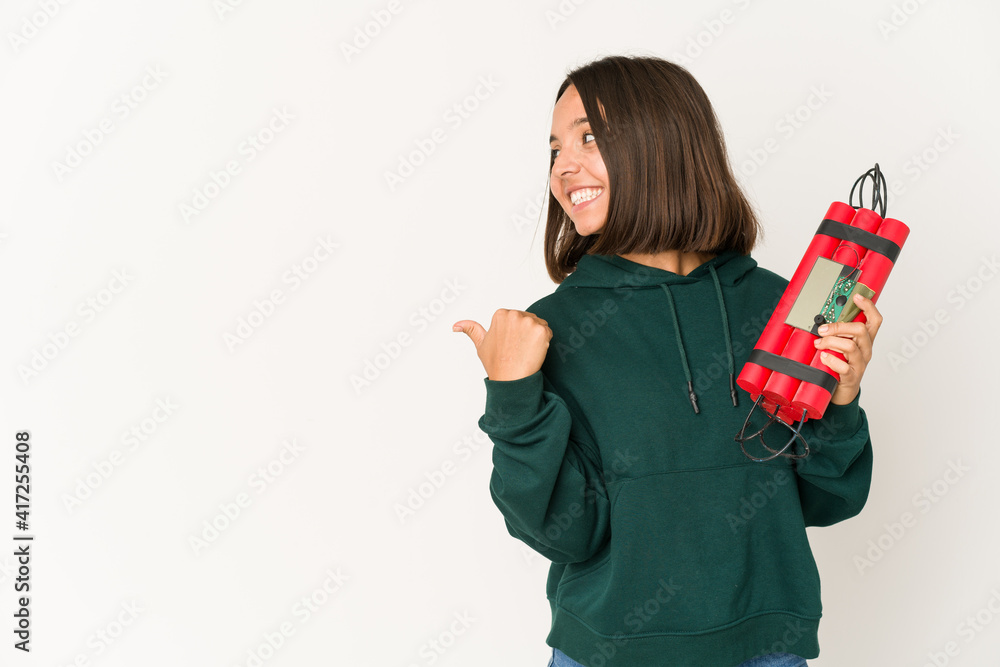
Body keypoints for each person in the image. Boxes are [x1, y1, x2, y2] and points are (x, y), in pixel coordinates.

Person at [453, 55, 881, 667]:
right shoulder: (555, 328)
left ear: (664, 145)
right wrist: (513, 397)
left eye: (588, 139)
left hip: (767, 651)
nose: (562, 167)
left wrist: (840, 400)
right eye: (553, 149)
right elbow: (563, 532)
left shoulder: (782, 305)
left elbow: (827, 501)